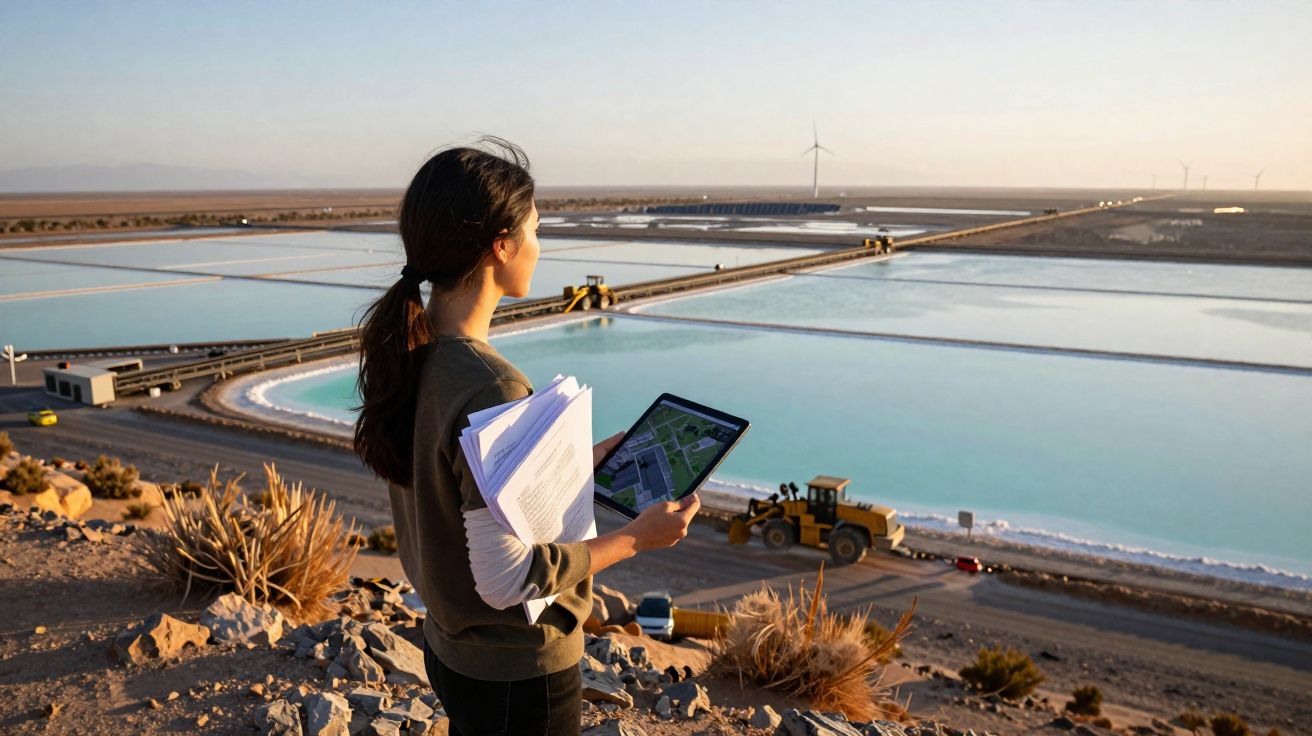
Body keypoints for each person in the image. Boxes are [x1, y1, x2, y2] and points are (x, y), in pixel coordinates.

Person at [353, 138, 700, 736]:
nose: (541, 245)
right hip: (516, 671)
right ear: (501, 246)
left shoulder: (413, 353)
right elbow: (507, 580)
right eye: (536, 229)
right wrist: (639, 539)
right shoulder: (493, 386)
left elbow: (462, 492)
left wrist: (574, 463)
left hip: (452, 649)